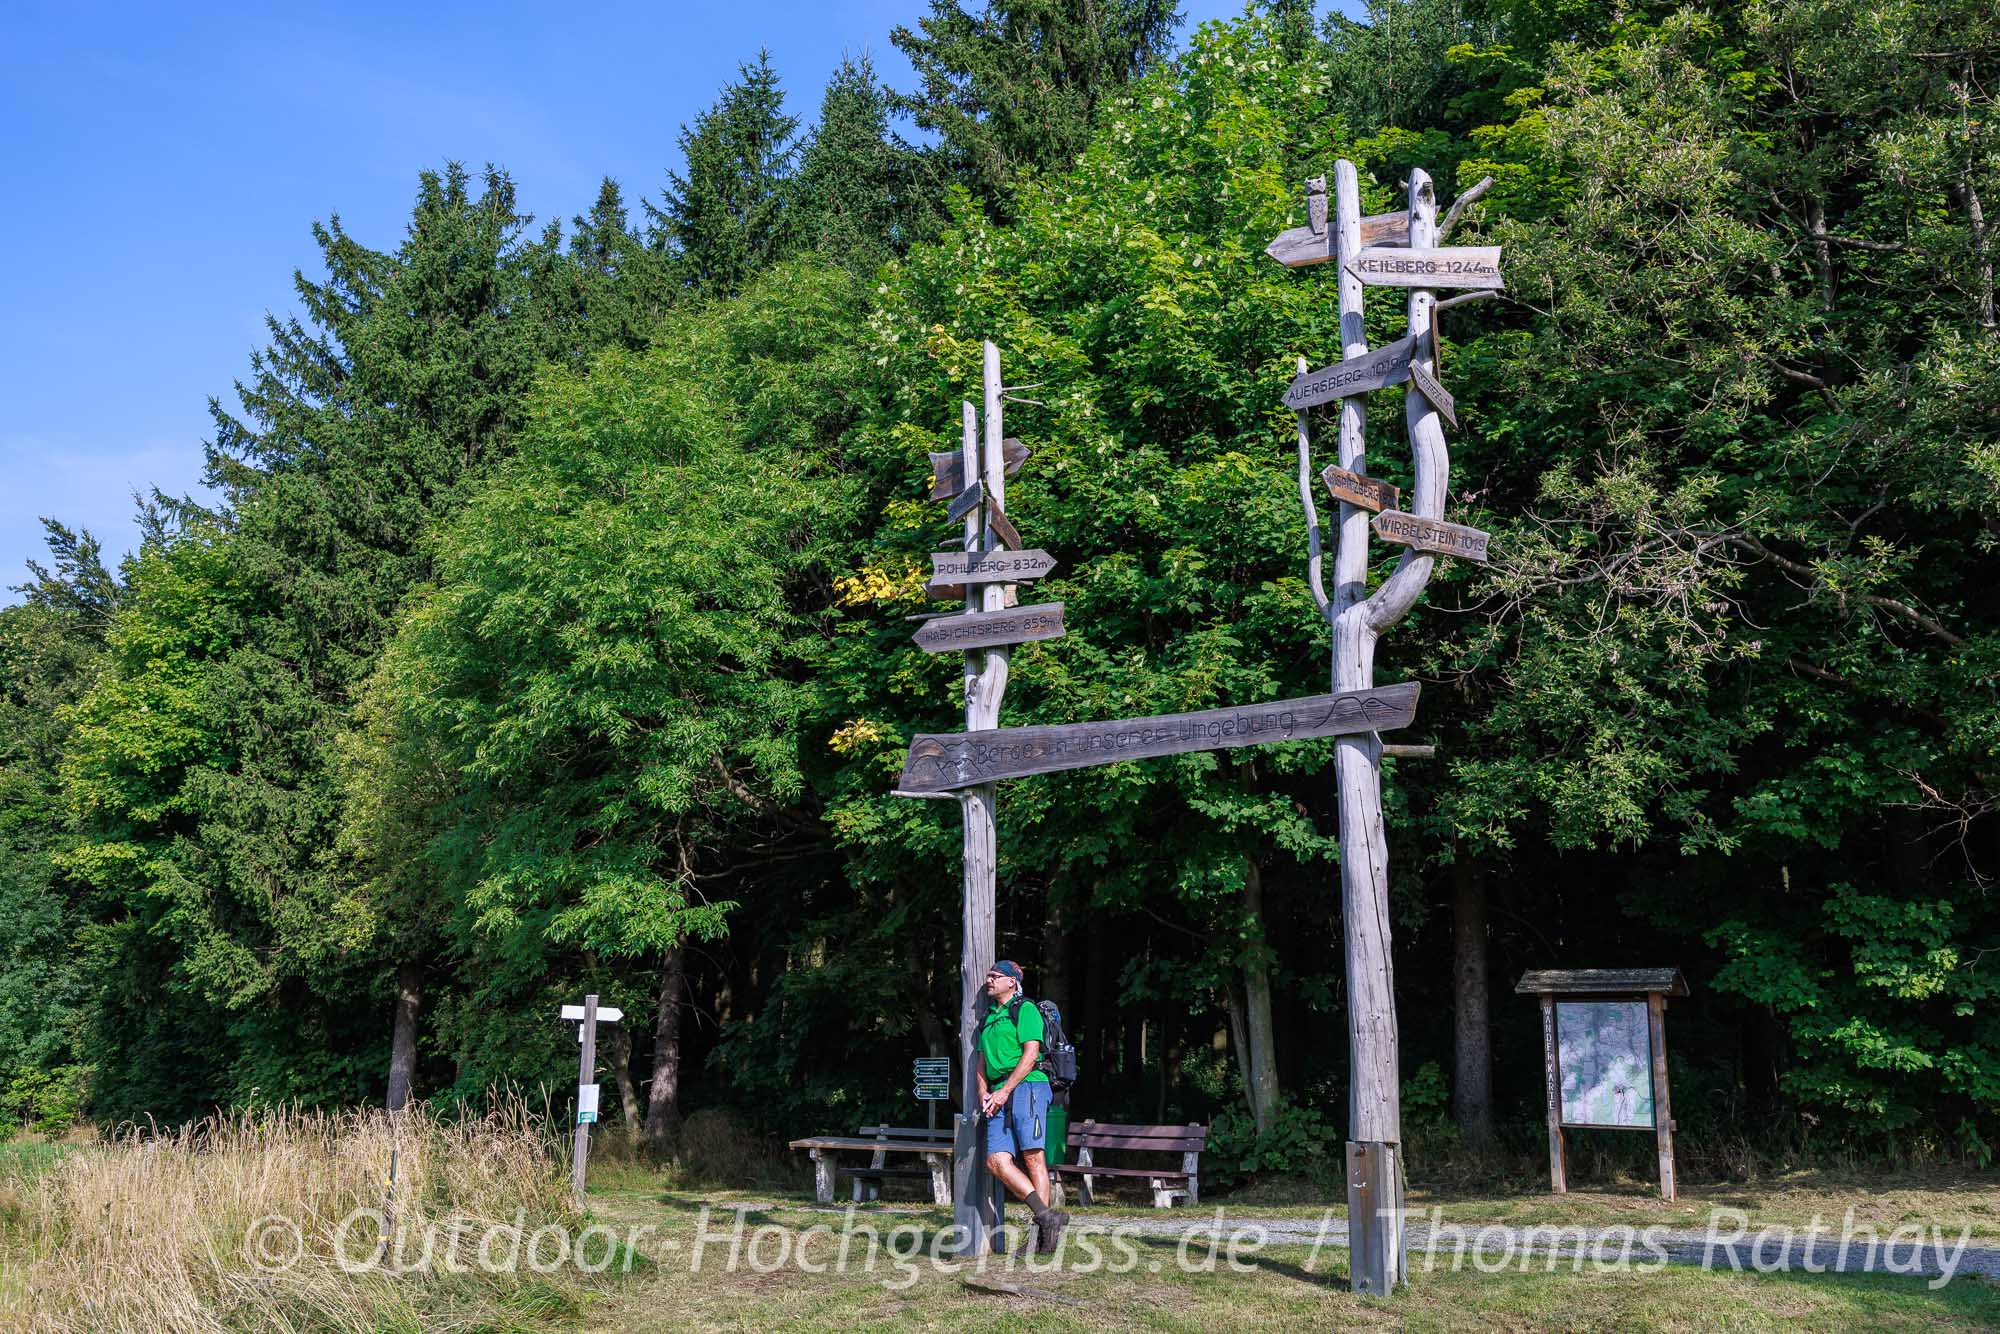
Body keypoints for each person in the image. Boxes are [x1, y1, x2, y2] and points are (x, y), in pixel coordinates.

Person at [979, 959, 1068, 1252]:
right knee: (996, 1161)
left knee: (1032, 1157)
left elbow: (1031, 1055)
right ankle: (1047, 1217)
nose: (989, 980)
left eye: (995, 976)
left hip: (1028, 1085)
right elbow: (981, 1061)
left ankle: (1040, 1238)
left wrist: (1005, 1091)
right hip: (997, 1092)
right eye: (989, 975)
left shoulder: (1025, 1009)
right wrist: (984, 1092)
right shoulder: (989, 1017)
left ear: (1012, 982)